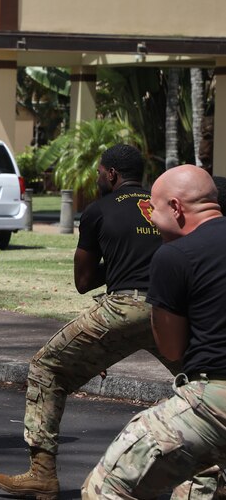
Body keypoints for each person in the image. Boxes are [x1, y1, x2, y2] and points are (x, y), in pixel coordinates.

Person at [0, 144, 182, 498]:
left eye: (98, 173)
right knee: (202, 387)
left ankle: (42, 473)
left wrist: (120, 262)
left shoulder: (98, 210)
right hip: (169, 310)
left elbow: (83, 281)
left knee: (47, 368)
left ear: (111, 174)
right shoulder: (164, 207)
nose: (96, 179)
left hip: (123, 308)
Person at [82, 165, 226, 498]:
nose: (150, 220)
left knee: (105, 488)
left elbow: (172, 349)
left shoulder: (173, 256)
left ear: (176, 208)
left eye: (153, 210)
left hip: (213, 401)